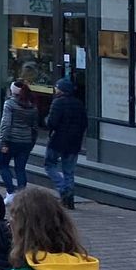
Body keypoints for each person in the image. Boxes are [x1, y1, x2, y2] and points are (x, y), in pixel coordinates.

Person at [44, 77, 87, 209]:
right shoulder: (79, 104)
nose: (56, 89)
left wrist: (46, 121)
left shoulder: (58, 103)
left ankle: (63, 189)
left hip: (58, 141)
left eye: (57, 87)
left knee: (49, 165)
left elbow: (52, 123)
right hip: (74, 142)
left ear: (62, 90)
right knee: (69, 170)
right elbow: (85, 123)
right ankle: (69, 197)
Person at [0, 81, 39, 202]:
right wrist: (32, 142)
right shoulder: (33, 107)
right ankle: (22, 196)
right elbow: (34, 127)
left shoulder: (10, 104)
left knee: (3, 165)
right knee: (20, 169)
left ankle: (10, 192)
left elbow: (6, 124)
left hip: (11, 140)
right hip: (25, 141)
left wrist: (4, 141)